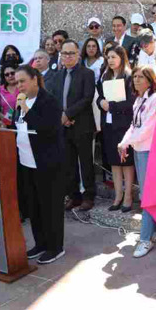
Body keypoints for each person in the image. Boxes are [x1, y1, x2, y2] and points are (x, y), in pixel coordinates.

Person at [7, 65, 66, 264]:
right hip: (26, 162)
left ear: (35, 79)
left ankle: (55, 247)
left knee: (50, 206)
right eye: (17, 82)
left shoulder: (49, 102)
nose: (19, 85)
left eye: (23, 81)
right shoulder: (20, 102)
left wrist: (25, 109)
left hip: (47, 163)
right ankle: (40, 242)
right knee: (34, 207)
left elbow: (46, 129)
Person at [117, 66, 156, 257]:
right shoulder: (139, 99)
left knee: (147, 196)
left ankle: (145, 239)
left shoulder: (155, 99)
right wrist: (123, 143)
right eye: (134, 76)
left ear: (150, 80)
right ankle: (155, 232)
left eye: (140, 77)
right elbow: (134, 125)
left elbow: (147, 129)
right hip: (139, 150)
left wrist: (127, 141)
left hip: (150, 151)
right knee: (149, 193)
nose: (135, 80)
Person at [46, 40, 97, 212]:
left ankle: (89, 196)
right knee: (68, 164)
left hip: (82, 125)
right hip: (64, 126)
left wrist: (67, 114)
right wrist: (62, 117)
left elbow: (87, 98)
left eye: (71, 53)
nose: (67, 56)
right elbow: (53, 99)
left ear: (78, 54)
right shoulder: (57, 76)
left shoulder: (87, 74)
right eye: (64, 53)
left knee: (86, 163)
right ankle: (74, 196)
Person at [96, 45, 136, 211]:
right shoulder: (105, 75)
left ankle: (128, 196)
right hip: (109, 125)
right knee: (114, 161)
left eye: (113, 57)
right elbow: (99, 97)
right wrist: (101, 103)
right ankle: (118, 195)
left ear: (121, 57)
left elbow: (131, 102)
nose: (110, 60)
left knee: (125, 161)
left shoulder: (128, 76)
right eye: (108, 57)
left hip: (124, 125)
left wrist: (111, 106)